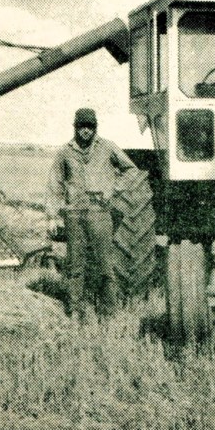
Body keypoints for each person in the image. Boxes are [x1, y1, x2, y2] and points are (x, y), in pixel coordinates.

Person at [46, 108, 136, 320]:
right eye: (82, 127)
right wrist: (52, 216)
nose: (86, 131)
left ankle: (109, 314)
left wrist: (113, 189)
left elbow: (130, 169)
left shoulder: (107, 147)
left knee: (106, 265)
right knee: (75, 266)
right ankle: (75, 311)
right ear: (75, 127)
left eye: (90, 127)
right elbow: (54, 184)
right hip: (74, 215)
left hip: (99, 213)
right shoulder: (65, 152)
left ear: (95, 128)